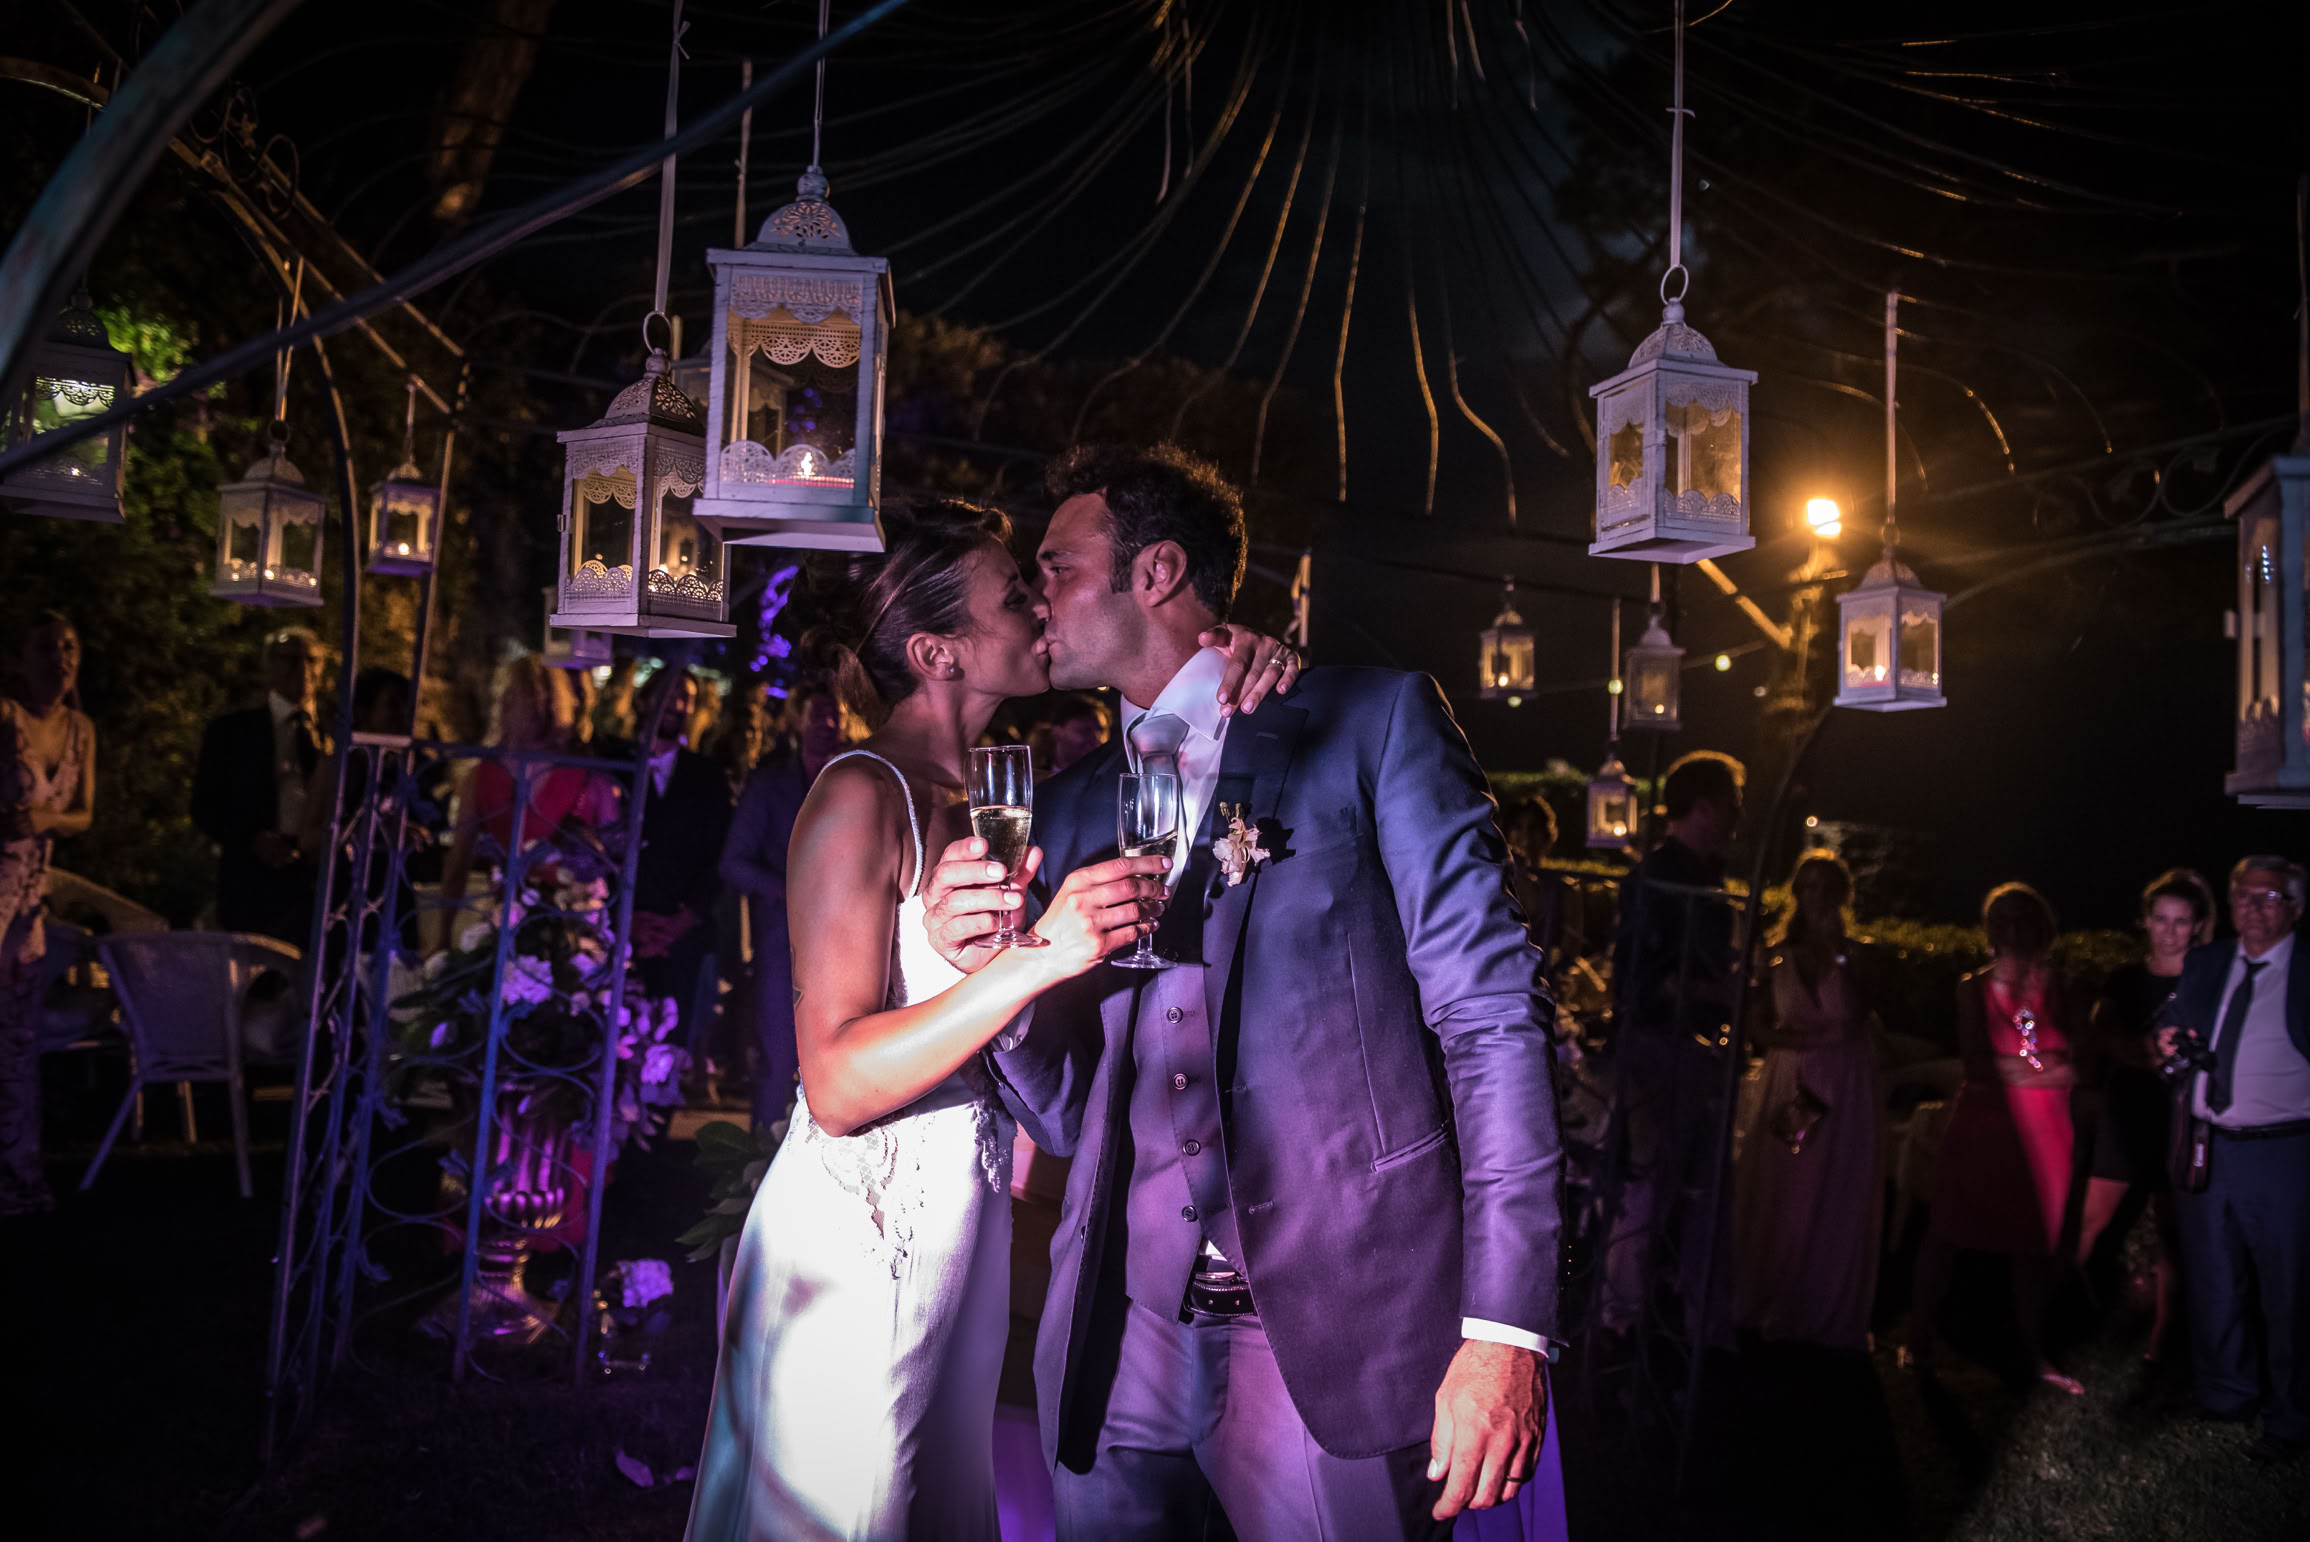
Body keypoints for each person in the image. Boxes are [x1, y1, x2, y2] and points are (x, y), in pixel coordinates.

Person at [922, 444, 1564, 1538]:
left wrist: (1505, 1329)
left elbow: (1493, 1020)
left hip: (1338, 1325)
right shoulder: (1069, 800)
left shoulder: (1369, 726)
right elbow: (1075, 1109)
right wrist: (996, 973)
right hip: (1122, 1329)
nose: (1039, 595)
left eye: (1060, 566)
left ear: (1158, 572)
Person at [684, 498, 1299, 1542]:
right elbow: (831, 1084)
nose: (1040, 607)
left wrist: (1237, 655)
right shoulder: (858, 794)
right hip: (860, 1233)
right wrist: (1036, 960)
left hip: (965, 1230)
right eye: (1014, 596)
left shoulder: (1011, 797)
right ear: (939, 652)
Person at [2154, 856, 2310, 1465]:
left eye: (2269, 897)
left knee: (2288, 1289)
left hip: (2284, 1150)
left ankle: (2293, 1417)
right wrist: (2166, 1040)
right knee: (2214, 1278)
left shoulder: (2305, 969)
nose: (2253, 906)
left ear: (2297, 908)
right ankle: (2226, 1394)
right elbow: (2174, 1023)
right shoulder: (2210, 960)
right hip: (2208, 1145)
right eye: (2243, 895)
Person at [1907, 881, 2087, 1394]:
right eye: (2000, 921)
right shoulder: (1972, 986)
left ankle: (2032, 1349)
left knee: (2030, 1247)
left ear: (2040, 927)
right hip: (1983, 1123)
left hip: (2036, 1128)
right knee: (1946, 1233)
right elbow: (1976, 1062)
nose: (2010, 932)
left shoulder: (2065, 986)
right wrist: (2038, 1065)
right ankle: (1920, 1336)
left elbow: (2077, 1059)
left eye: (2020, 920)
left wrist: (2036, 1066)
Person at [1601, 750, 1745, 1342]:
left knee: (1698, 1193)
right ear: (1707, 807)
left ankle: (1681, 1321)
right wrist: (1720, 986)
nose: (1739, 816)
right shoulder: (1658, 877)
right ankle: (1622, 1322)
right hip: (1660, 1051)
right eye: (1732, 803)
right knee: (1649, 1189)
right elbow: (1638, 977)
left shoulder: (1705, 874)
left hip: (1697, 1051)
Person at [1733, 853, 1884, 1352]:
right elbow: (1754, 1026)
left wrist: (1837, 950)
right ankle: (1772, 1294)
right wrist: (1803, 1044)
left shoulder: (1857, 954)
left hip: (1845, 1081)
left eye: (1826, 888)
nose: (1815, 897)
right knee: (1786, 1187)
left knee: (1835, 1187)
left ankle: (1823, 1301)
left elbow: (1865, 1011)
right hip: (1792, 1078)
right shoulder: (1776, 955)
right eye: (1808, 887)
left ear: (1842, 896)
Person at [2079, 868, 2213, 1367]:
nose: (2171, 930)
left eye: (2182, 921)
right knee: (2093, 1219)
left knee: (2172, 1235)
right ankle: (2062, 1313)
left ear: (2198, 924)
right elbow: (2103, 1032)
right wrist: (2142, 1053)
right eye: (2161, 919)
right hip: (2129, 1112)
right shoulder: (2126, 979)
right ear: (2146, 921)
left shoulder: (2209, 980)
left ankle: (2163, 1344)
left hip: (2181, 1117)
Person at [718, 682, 854, 1125]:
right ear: (797, 721)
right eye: (817, 715)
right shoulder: (770, 781)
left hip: (850, 942)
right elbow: (733, 861)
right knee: (778, 1060)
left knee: (842, 1059)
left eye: (834, 715)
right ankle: (755, 1174)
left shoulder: (857, 778)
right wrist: (788, 891)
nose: (827, 725)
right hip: (784, 943)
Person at [1, 612, 95, 1217]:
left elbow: (84, 812)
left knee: (16, 1038)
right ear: (23, 656)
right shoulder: (5, 718)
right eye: (46, 647)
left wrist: (44, 820)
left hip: (28, 898)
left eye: (68, 646)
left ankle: (16, 1174)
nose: (58, 658)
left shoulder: (82, 730)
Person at [601, 668, 732, 1065]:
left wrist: (684, 919)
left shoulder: (708, 777)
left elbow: (719, 856)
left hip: (680, 934)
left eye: (685, 697)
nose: (676, 704)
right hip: (619, 929)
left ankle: (656, 1125)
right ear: (643, 700)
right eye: (668, 693)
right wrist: (627, 918)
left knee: (667, 1049)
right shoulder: (612, 762)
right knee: (614, 1040)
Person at [439, 653, 616, 911]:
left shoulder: (587, 778)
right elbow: (458, 863)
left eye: (538, 697)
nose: (532, 707)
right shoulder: (483, 776)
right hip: (511, 913)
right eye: (525, 697)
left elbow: (611, 858)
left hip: (567, 914)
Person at [191, 626, 326, 945]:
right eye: (291, 659)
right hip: (252, 876)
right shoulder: (232, 732)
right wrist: (251, 838)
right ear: (270, 666)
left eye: (312, 660)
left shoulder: (336, 734)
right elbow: (205, 804)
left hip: (314, 877)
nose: (303, 669)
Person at [1044, 692, 1111, 775]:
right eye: (1085, 730)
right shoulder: (1032, 778)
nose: (1098, 741)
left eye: (1101, 731)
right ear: (1057, 732)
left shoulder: (1112, 780)